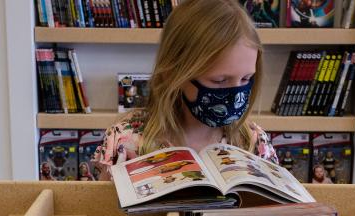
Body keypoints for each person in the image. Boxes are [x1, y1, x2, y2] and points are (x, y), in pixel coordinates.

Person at [92, 0, 278, 180]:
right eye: (219, 80)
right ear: (174, 73)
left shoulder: (254, 142)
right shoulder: (126, 141)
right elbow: (104, 207)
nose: (237, 94)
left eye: (246, 78)